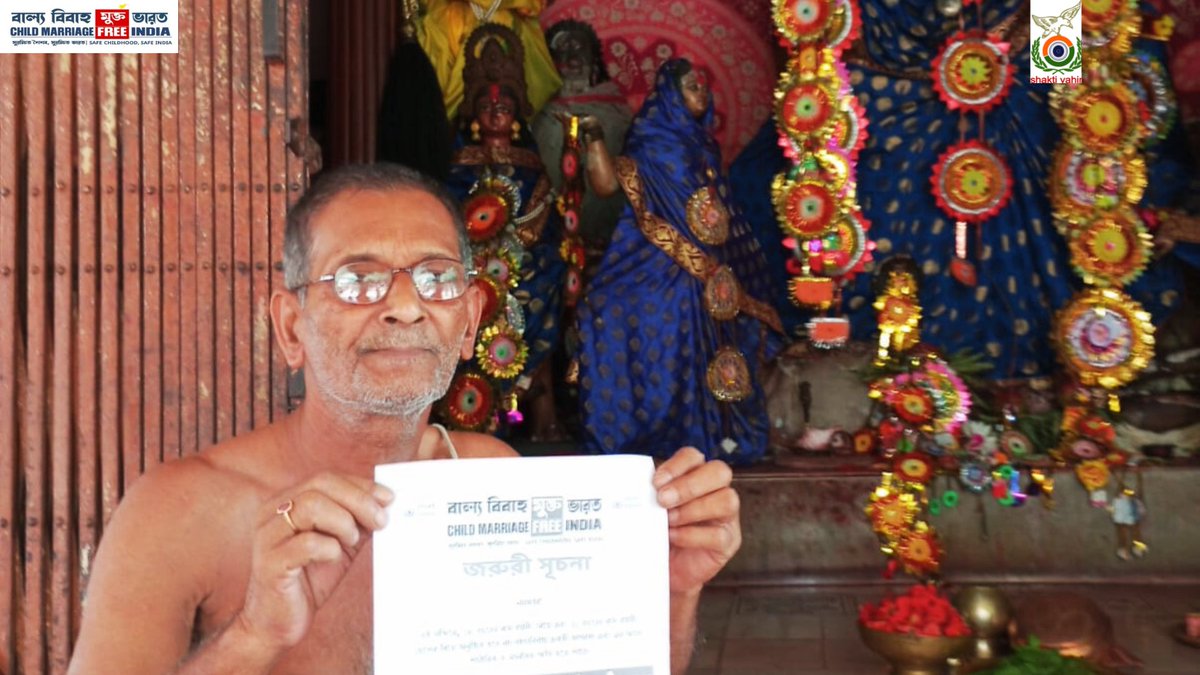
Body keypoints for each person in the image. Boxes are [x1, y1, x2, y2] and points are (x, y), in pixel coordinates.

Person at [67, 163, 742, 674]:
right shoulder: (179, 510)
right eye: (359, 280)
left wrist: (672, 591)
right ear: (290, 326)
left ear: (469, 320)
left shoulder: (492, 481)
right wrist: (252, 634)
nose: (405, 306)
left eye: (437, 278)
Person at [577, 59, 785, 467]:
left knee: (708, 312)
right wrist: (594, 137)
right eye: (691, 86)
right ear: (671, 94)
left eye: (703, 86)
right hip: (654, 263)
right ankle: (645, 432)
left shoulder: (704, 145)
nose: (702, 93)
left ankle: (707, 433)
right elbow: (604, 187)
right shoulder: (651, 140)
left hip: (707, 276)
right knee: (600, 309)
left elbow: (720, 219)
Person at [531, 18, 633, 249]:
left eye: (578, 48)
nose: (572, 57)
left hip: (608, 234)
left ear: (594, 56)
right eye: (562, 50)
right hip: (554, 235)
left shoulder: (616, 109)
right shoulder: (541, 112)